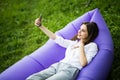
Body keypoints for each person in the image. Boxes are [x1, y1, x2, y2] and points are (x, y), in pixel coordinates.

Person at [26, 16, 99, 80]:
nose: (79, 31)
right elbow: (55, 38)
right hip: (58, 66)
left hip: (70, 70)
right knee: (33, 78)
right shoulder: (73, 43)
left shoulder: (92, 46)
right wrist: (40, 26)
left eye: (83, 30)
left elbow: (83, 63)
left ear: (89, 34)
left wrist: (81, 45)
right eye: (80, 29)